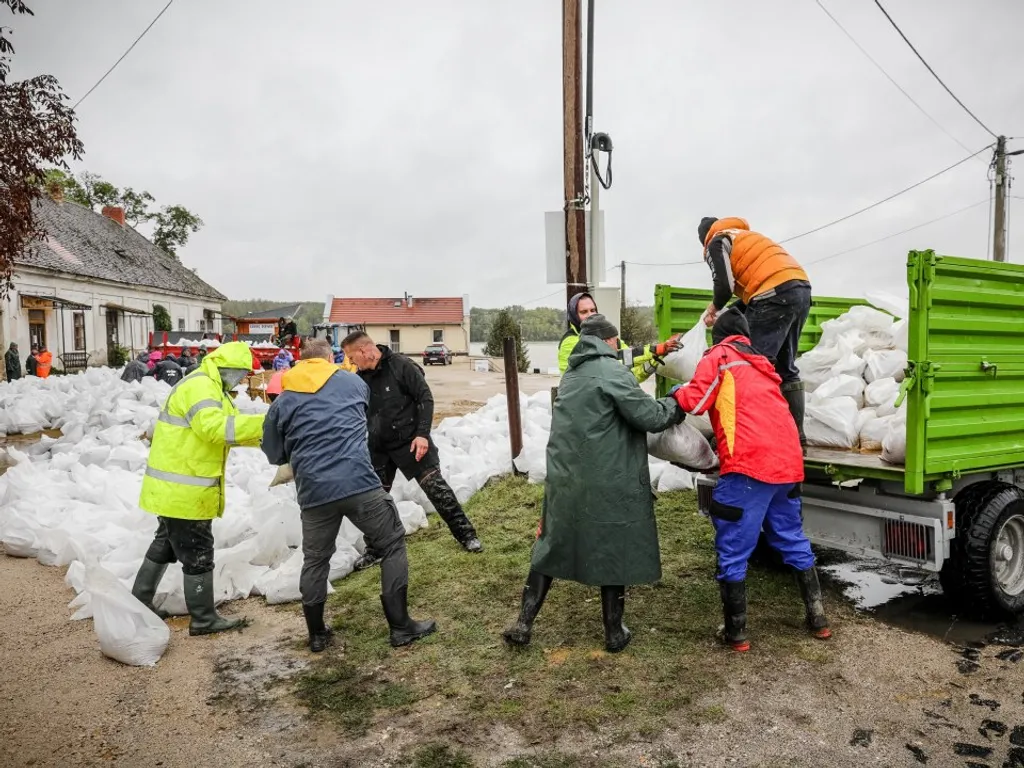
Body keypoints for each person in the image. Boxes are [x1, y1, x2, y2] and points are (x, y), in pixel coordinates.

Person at [503, 314, 684, 653]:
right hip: (606, 476)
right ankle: (614, 633)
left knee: (551, 544)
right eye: (617, 341)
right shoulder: (611, 370)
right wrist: (676, 402)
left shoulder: (573, 373)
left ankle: (524, 623)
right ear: (609, 341)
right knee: (612, 546)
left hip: (566, 476)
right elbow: (650, 417)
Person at [670, 308, 830, 652]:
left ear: (720, 337)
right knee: (791, 537)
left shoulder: (721, 356)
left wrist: (672, 396)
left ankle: (736, 632)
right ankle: (818, 619)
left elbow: (696, 400)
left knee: (733, 547)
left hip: (748, 466)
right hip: (787, 464)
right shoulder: (764, 366)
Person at [262, 338, 436, 651]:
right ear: (330, 358)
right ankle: (401, 627)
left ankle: (316, 635)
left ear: (300, 363)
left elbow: (274, 452)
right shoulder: (352, 383)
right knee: (392, 543)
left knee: (315, 560)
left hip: (314, 492)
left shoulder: (283, 401)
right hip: (359, 483)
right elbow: (362, 414)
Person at [131, 342, 265, 636]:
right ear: (229, 368)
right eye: (242, 373)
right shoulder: (202, 387)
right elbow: (215, 429)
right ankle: (204, 618)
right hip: (185, 490)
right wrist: (265, 424)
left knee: (165, 543)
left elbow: (226, 429)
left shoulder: (209, 386)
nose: (242, 379)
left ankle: (140, 602)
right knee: (199, 552)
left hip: (175, 487)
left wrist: (261, 439)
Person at [341, 331, 482, 566]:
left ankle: (467, 535)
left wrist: (422, 435)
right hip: (379, 448)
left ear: (365, 350)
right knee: (374, 500)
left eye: (351, 356)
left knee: (437, 490)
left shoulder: (401, 366)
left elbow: (425, 399)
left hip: (411, 442)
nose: (350, 362)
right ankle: (375, 549)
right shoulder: (360, 377)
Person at [697, 216, 811, 446]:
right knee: (785, 367)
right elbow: (752, 293)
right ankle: (797, 437)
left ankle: (756, 438)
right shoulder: (745, 236)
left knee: (753, 367)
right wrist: (726, 310)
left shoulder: (717, 242)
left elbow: (724, 286)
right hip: (801, 289)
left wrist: (714, 307)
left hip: (772, 293)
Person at [557, 292, 681, 381]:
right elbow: (607, 366)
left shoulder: (609, 338)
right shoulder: (570, 341)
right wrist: (656, 349)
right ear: (574, 316)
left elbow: (628, 372)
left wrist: (654, 360)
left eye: (593, 310)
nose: (590, 315)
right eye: (584, 312)